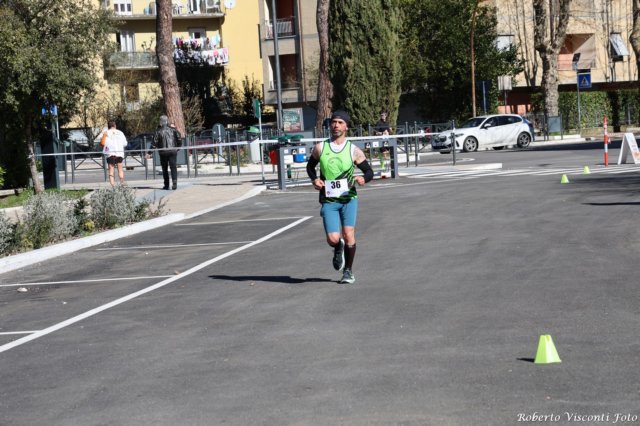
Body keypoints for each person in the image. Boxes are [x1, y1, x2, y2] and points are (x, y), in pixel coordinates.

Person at [306, 110, 374, 284]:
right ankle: (338, 247)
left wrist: (363, 179)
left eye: (340, 122)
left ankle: (348, 271)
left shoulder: (353, 150)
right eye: (334, 122)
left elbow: (369, 171)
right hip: (329, 200)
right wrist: (315, 180)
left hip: (349, 199)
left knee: (349, 234)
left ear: (346, 127)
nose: (336, 125)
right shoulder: (321, 147)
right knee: (333, 238)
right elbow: (310, 167)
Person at [152, 115, 182, 190]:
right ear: (167, 121)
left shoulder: (158, 131)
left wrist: (149, 152)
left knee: (164, 168)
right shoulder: (173, 130)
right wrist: (178, 147)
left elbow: (154, 143)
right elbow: (179, 138)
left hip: (163, 152)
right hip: (172, 150)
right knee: (173, 167)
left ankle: (166, 185)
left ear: (160, 122)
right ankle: (174, 183)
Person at [102, 120, 127, 187]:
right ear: (115, 125)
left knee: (111, 170)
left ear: (108, 126)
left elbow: (103, 143)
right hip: (119, 153)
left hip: (110, 153)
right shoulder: (120, 133)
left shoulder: (106, 133)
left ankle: (113, 186)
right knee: (120, 169)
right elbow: (125, 143)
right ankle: (122, 184)